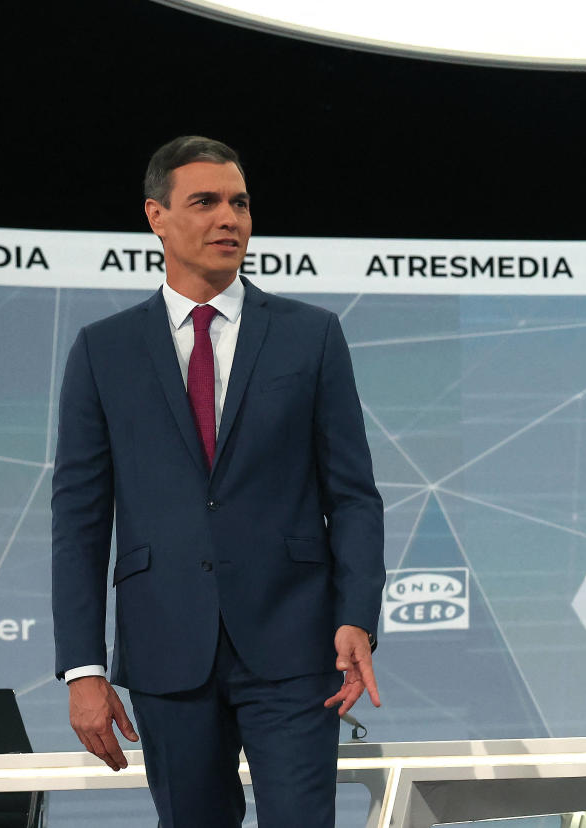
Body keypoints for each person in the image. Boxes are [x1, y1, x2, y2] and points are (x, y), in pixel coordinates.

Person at [51, 136, 385, 827]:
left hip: (296, 644)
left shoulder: (311, 337)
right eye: (205, 202)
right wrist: (83, 669)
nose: (228, 218)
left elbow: (353, 494)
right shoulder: (102, 351)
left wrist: (357, 616)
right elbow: (79, 519)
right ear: (157, 216)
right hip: (166, 648)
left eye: (240, 203)